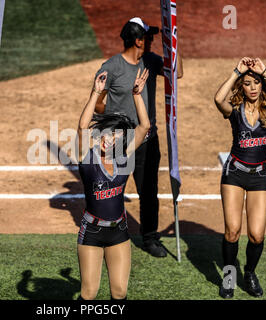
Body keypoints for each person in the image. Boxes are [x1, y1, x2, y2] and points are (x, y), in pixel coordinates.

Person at [95, 17, 183, 258]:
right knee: (112, 190)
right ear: (138, 40)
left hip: (147, 140)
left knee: (148, 191)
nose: (153, 40)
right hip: (117, 142)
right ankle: (107, 232)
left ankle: (149, 237)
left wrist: (173, 46)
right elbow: (98, 105)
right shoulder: (110, 67)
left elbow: (177, 73)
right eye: (149, 36)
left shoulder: (151, 62)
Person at [214, 57, 266, 298]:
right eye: (247, 83)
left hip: (260, 176)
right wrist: (236, 72)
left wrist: (265, 71)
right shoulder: (234, 112)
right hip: (234, 174)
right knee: (232, 231)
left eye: (256, 82)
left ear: (262, 84)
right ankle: (229, 276)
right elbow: (218, 99)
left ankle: (249, 273)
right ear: (242, 86)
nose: (253, 87)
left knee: (257, 235)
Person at [77, 67, 150, 300]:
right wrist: (95, 94)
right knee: (89, 293)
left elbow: (144, 127)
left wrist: (137, 96)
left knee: (119, 292)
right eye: (106, 135)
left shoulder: (124, 158)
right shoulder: (88, 159)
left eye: (115, 135)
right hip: (92, 231)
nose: (109, 140)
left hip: (119, 231)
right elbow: (81, 128)